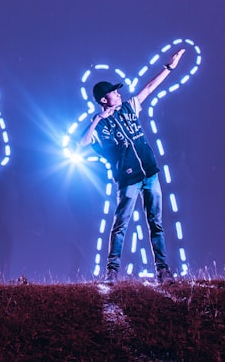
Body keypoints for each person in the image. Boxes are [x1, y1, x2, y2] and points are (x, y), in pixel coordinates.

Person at [79, 47, 185, 285]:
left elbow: (149, 88)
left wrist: (168, 68)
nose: (118, 94)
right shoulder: (100, 126)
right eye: (114, 93)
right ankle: (112, 273)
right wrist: (98, 119)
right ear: (104, 99)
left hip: (150, 174)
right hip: (129, 179)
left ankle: (163, 271)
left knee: (155, 223)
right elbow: (82, 142)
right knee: (121, 225)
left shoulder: (129, 108)